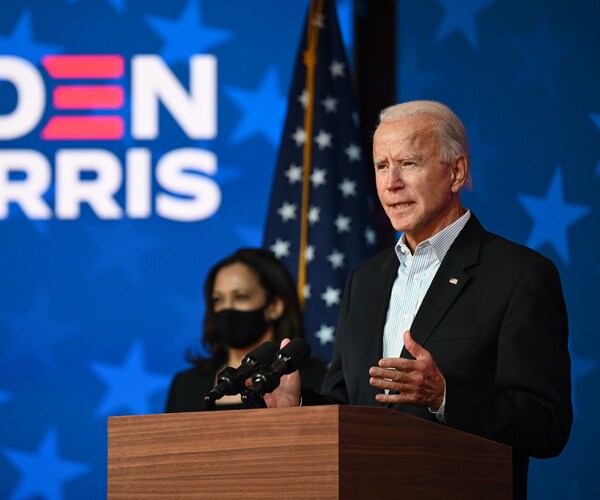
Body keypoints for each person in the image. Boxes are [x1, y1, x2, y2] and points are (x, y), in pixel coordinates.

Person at [265, 101, 572, 499]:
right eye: (381, 166)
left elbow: (547, 425)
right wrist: (301, 406)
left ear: (456, 172)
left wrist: (445, 397)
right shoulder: (365, 280)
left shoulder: (519, 275)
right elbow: (348, 405)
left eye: (408, 163)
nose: (391, 183)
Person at [165, 247, 327, 412]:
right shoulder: (186, 385)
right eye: (218, 299)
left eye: (240, 297)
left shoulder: (314, 380)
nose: (227, 308)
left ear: (274, 306)